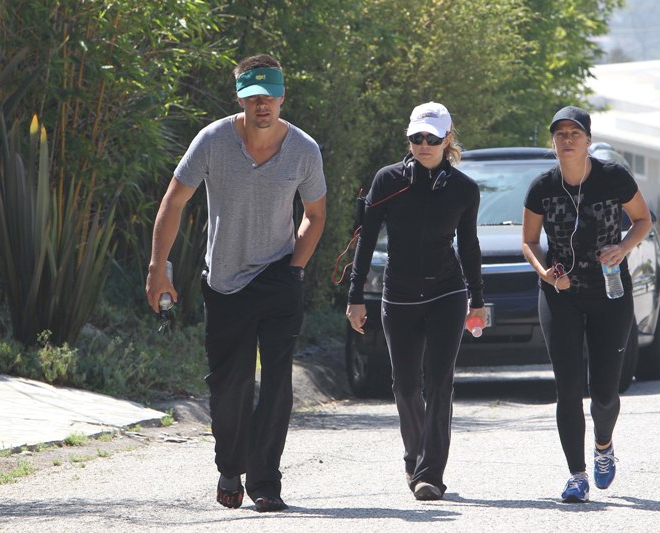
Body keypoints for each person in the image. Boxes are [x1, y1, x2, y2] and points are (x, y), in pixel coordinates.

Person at [145, 54, 326, 512]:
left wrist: (295, 268)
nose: (262, 105)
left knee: (278, 384)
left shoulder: (304, 149)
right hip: (225, 282)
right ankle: (230, 465)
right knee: (230, 385)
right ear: (240, 98)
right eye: (253, 97)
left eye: (270, 96)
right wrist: (157, 267)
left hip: (279, 275)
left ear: (282, 97)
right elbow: (174, 201)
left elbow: (315, 214)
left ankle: (265, 481)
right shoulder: (213, 140)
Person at [346, 101, 486, 501]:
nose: (424, 144)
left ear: (447, 140)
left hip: (447, 293)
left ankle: (430, 475)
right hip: (400, 294)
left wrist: (477, 298)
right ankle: (415, 458)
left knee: (440, 384)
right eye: (416, 138)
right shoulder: (387, 181)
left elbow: (469, 246)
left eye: (432, 138)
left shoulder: (463, 189)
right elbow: (365, 241)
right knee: (406, 386)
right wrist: (356, 296)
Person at [521, 106, 652, 503]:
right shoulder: (542, 187)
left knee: (605, 392)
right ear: (553, 141)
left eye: (574, 133)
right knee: (568, 388)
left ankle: (603, 445)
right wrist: (546, 273)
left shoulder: (614, 177)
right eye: (560, 133)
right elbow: (529, 241)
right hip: (560, 294)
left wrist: (623, 247)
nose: (566, 139)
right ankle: (576, 475)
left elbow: (643, 220)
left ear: (588, 140)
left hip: (609, 293)